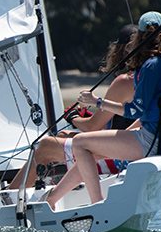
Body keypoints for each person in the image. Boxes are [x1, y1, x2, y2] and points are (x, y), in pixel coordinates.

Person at [45, 11, 161, 210]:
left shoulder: (151, 67)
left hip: (157, 142)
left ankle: (96, 206)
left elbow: (134, 110)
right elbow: (155, 111)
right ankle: (52, 199)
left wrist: (97, 102)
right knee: (94, 151)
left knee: (80, 143)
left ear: (139, 36)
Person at [8, 24, 138, 190]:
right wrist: (83, 119)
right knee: (62, 135)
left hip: (121, 160)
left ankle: (9, 197)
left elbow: (92, 127)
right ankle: (63, 186)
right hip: (132, 149)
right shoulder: (146, 77)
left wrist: (73, 118)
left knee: (45, 147)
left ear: (120, 50)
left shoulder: (125, 81)